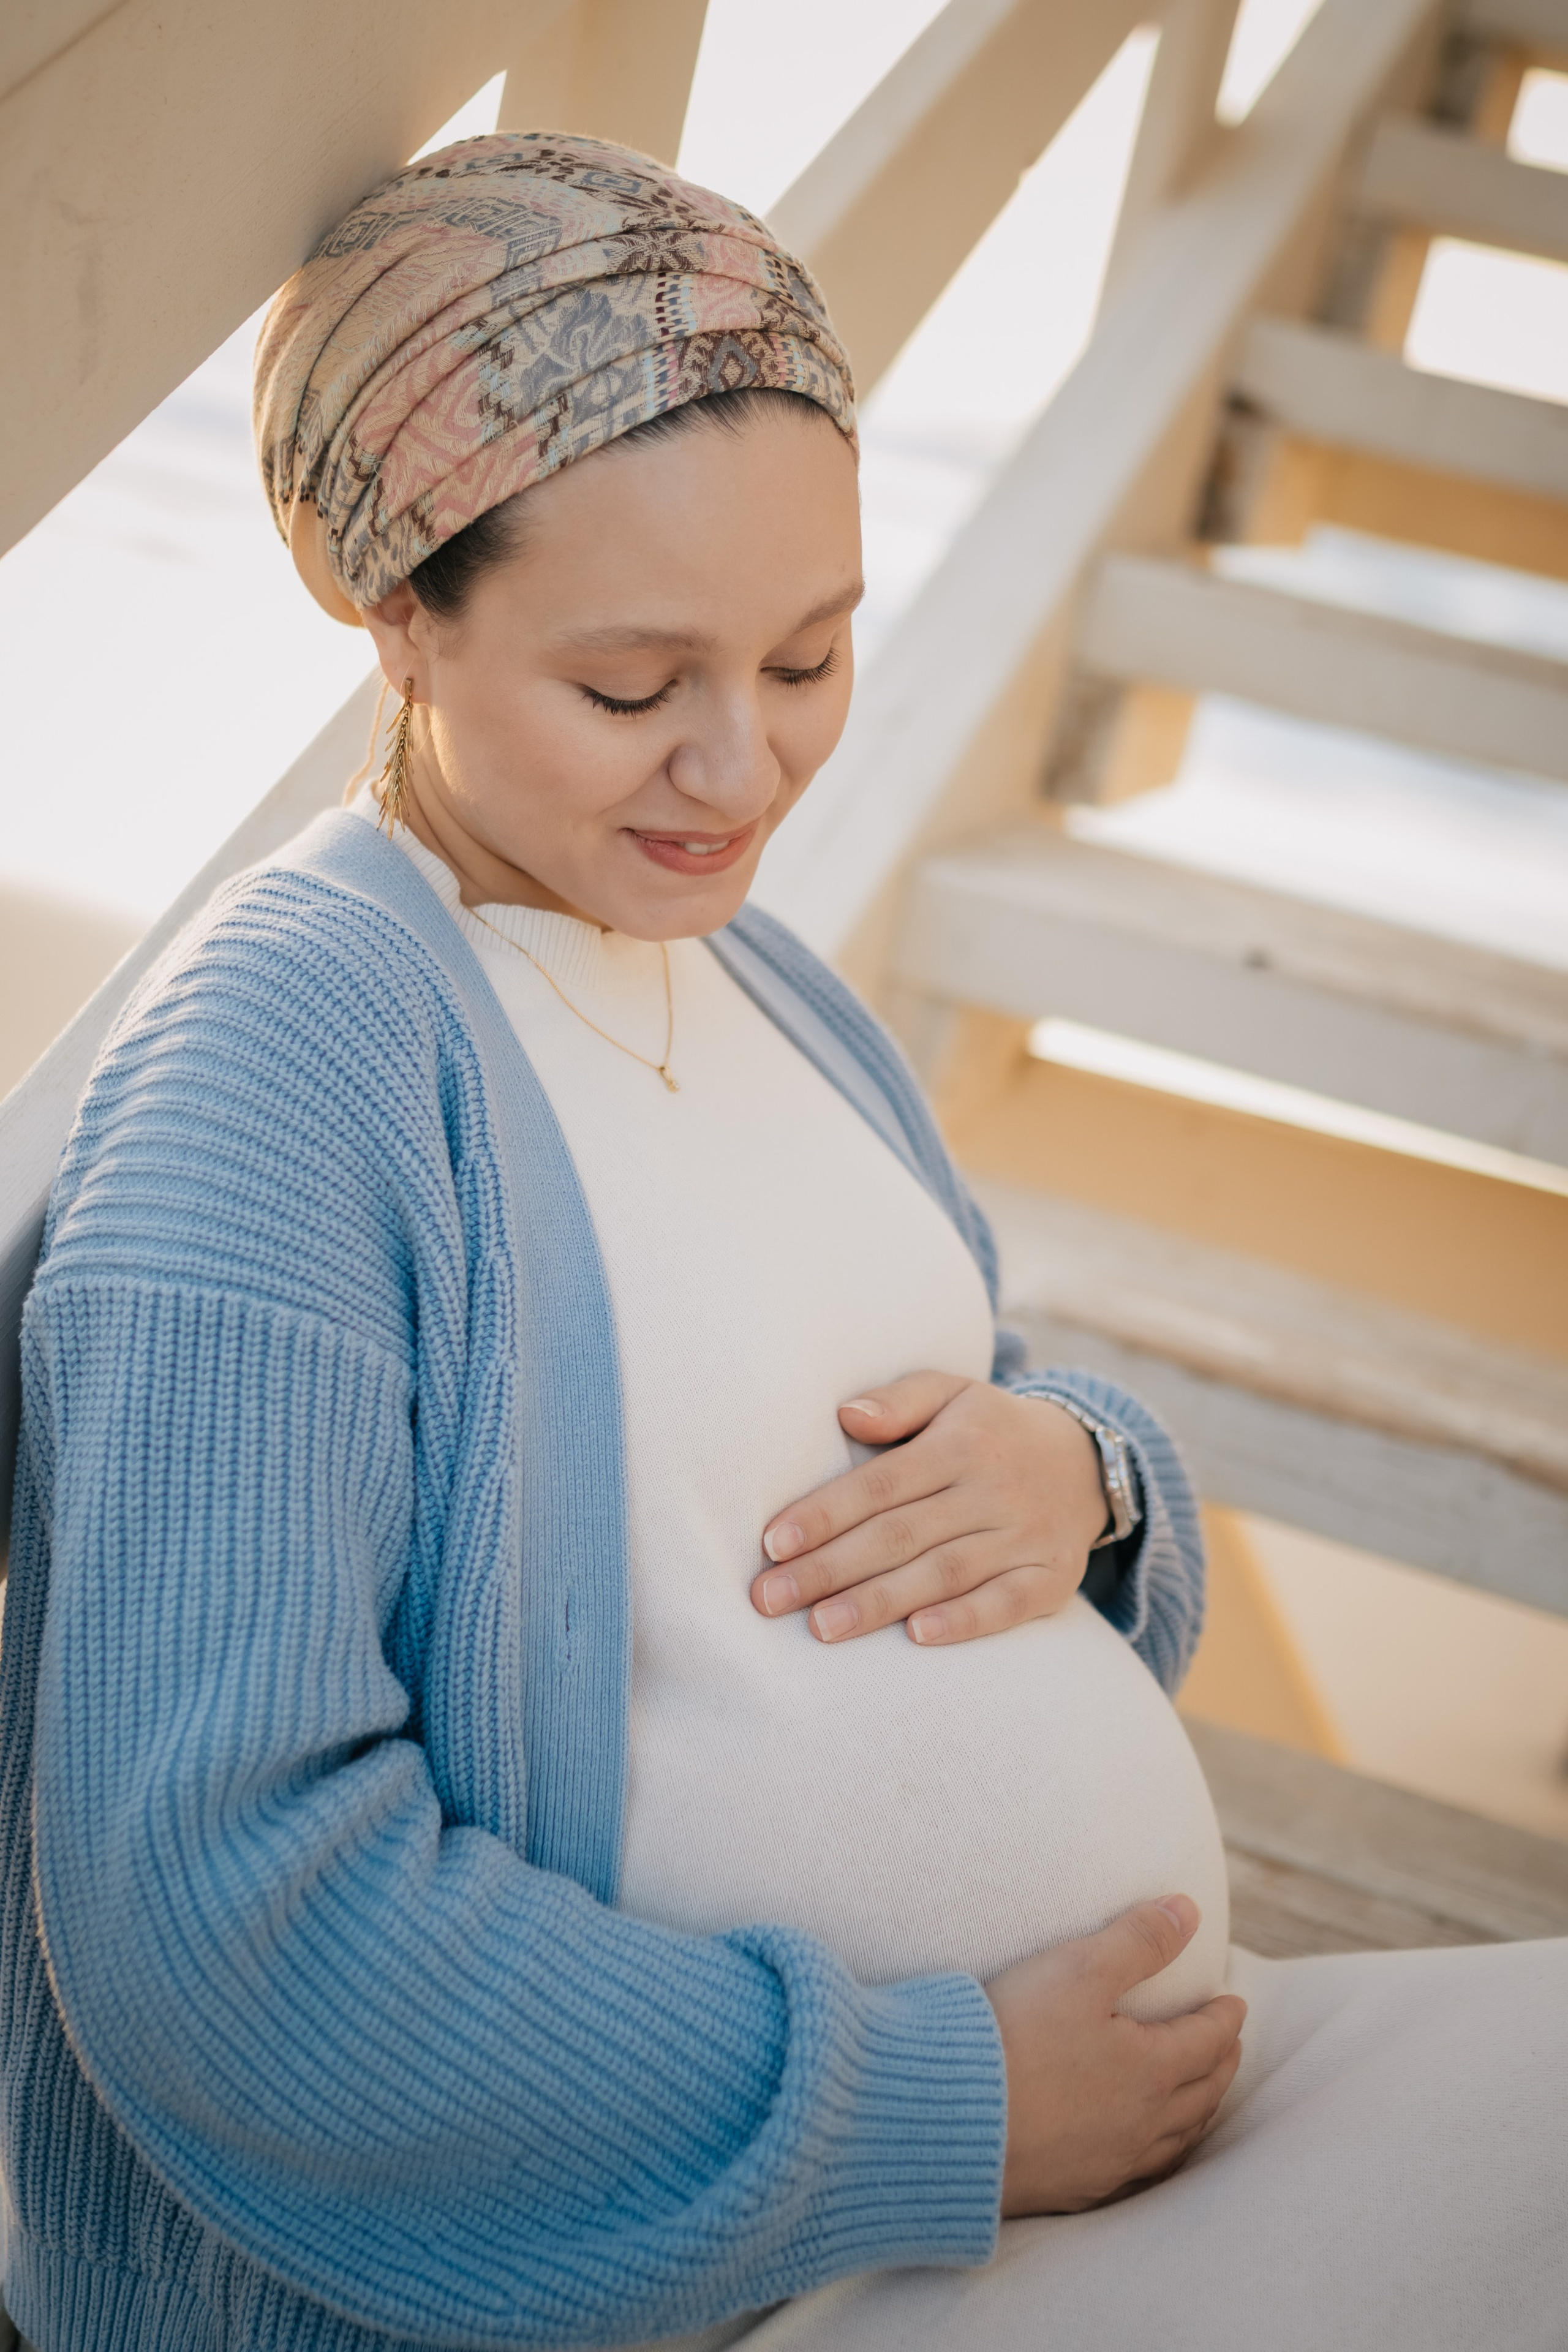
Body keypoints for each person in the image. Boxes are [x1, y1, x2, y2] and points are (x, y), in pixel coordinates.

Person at [0, 134, 1561, 2352]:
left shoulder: (755, 981)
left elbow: (950, 1487)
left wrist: (1091, 1485)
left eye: (814, 658)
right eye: (635, 690)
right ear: (400, 614)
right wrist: (944, 2107)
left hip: (1052, 2145)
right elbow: (222, 1925)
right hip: (708, 2267)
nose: (741, 772)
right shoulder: (292, 1071)